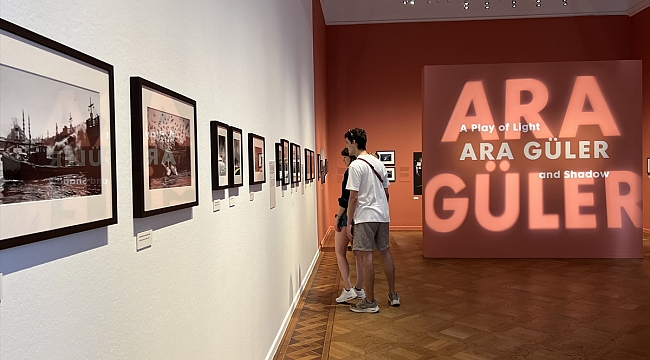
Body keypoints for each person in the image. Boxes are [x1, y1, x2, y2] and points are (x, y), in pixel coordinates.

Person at [344, 128, 400, 313]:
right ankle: (393, 295)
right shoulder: (378, 163)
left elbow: (353, 197)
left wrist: (349, 221)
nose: (346, 148)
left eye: (346, 143)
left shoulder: (356, 166)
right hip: (382, 215)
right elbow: (386, 192)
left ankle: (370, 301)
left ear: (354, 142)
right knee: (385, 253)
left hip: (365, 216)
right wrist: (383, 210)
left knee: (367, 256)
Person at [333, 148, 365, 303]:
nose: (343, 160)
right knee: (358, 255)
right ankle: (359, 288)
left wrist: (338, 217)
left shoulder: (349, 172)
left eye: (344, 157)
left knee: (339, 252)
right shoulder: (363, 169)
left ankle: (348, 288)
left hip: (348, 217)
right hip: (361, 216)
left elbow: (346, 199)